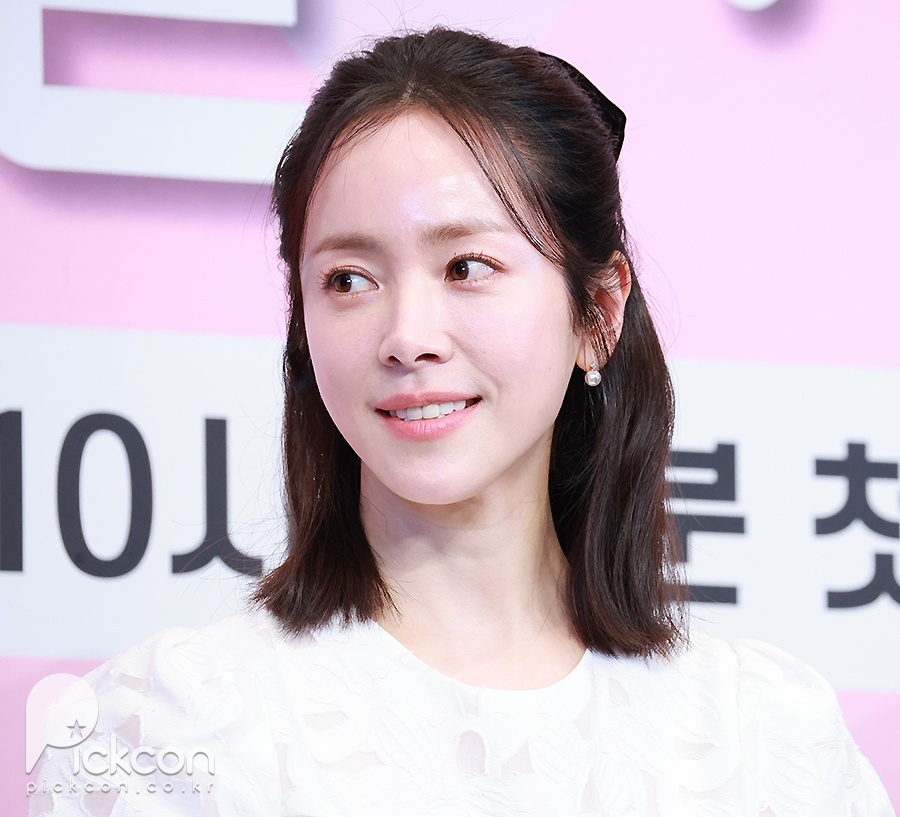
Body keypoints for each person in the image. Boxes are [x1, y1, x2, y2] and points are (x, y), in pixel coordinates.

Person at [30, 27, 894, 817]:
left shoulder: (765, 743)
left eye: (466, 266)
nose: (407, 336)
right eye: (348, 279)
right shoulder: (166, 733)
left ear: (598, 311)